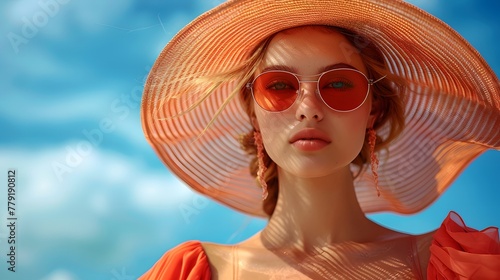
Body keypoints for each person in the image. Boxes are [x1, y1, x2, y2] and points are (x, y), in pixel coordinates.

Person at [139, 0, 500, 279]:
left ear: (372, 110)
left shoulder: (450, 267)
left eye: (339, 84)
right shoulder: (193, 273)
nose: (308, 109)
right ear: (254, 115)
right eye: (279, 86)